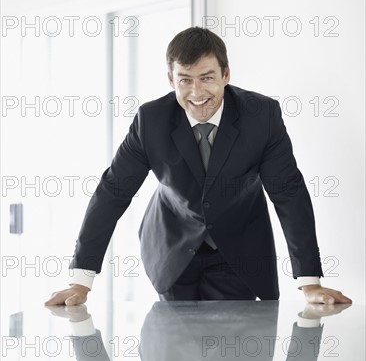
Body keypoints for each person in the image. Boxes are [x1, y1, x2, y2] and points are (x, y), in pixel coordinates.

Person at [45, 27, 351, 306]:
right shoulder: (151, 122)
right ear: (171, 80)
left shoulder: (262, 117)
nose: (197, 93)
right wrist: (81, 282)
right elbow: (113, 192)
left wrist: (310, 282)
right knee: (173, 356)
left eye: (206, 77)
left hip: (239, 252)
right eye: (185, 80)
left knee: (239, 356)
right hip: (171, 248)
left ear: (226, 74)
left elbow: (288, 193)